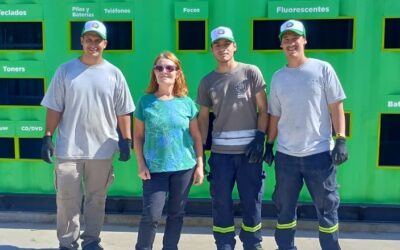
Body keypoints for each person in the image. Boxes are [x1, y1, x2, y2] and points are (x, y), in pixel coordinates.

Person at [40, 20, 135, 250]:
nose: (93, 44)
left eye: (97, 40)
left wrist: (126, 139)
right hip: (68, 149)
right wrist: (47, 137)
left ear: (105, 43)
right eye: (88, 39)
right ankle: (67, 243)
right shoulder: (65, 71)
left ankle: (92, 241)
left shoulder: (114, 74)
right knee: (66, 202)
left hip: (102, 150)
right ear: (81, 41)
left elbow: (123, 110)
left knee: (96, 200)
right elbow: (55, 107)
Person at [264, 19, 348, 250]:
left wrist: (340, 138)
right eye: (286, 39)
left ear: (305, 40)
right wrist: (269, 144)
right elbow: (275, 116)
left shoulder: (322, 69)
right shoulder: (278, 77)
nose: (291, 43)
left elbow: (336, 107)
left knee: (327, 210)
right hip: (286, 157)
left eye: (295, 38)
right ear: (281, 44)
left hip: (319, 156)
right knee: (284, 210)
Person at [197, 26, 268, 250]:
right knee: (221, 206)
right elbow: (203, 120)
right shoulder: (207, 82)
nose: (222, 48)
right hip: (221, 157)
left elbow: (264, 110)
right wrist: (202, 153)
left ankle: (253, 245)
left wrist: (260, 138)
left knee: (252, 205)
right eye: (218, 45)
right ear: (212, 49)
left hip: (250, 155)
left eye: (226, 44)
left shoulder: (250, 72)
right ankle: (224, 245)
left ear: (234, 46)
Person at [134, 51, 204, 250]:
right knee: (151, 216)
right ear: (154, 73)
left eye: (169, 68)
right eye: (159, 67)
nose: (164, 71)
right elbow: (138, 137)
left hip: (184, 167)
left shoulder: (187, 103)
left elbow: (197, 136)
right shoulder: (145, 102)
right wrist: (140, 164)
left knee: (176, 214)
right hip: (154, 169)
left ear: (178, 73)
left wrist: (199, 165)